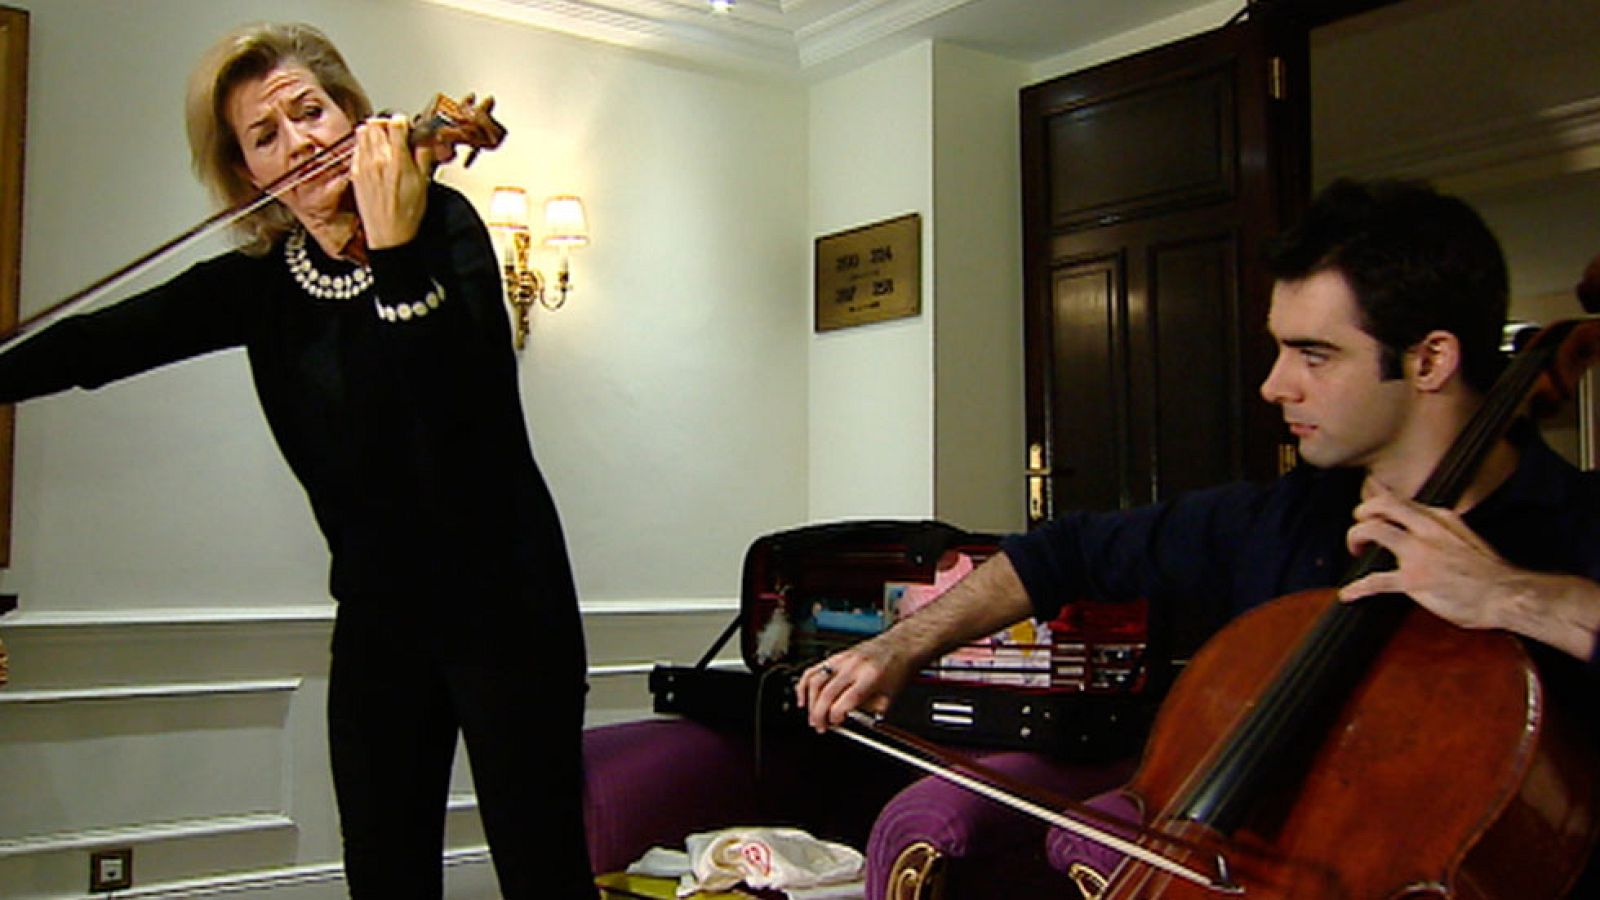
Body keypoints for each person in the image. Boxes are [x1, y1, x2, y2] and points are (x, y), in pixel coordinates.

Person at [797, 178, 1600, 892]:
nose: (1273, 384)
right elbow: (1059, 551)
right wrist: (897, 648)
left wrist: (1515, 596)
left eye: (1312, 354)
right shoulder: (1281, 518)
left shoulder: (1575, 528)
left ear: (1430, 361)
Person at [0, 23, 595, 899]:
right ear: (250, 176)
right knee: (384, 876)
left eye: (310, 112)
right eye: (265, 135)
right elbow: (95, 346)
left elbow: (460, 418)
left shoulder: (447, 229)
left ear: (353, 115)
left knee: (544, 872)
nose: (301, 142)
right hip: (379, 624)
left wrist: (394, 249)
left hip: (511, 612)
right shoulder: (260, 285)